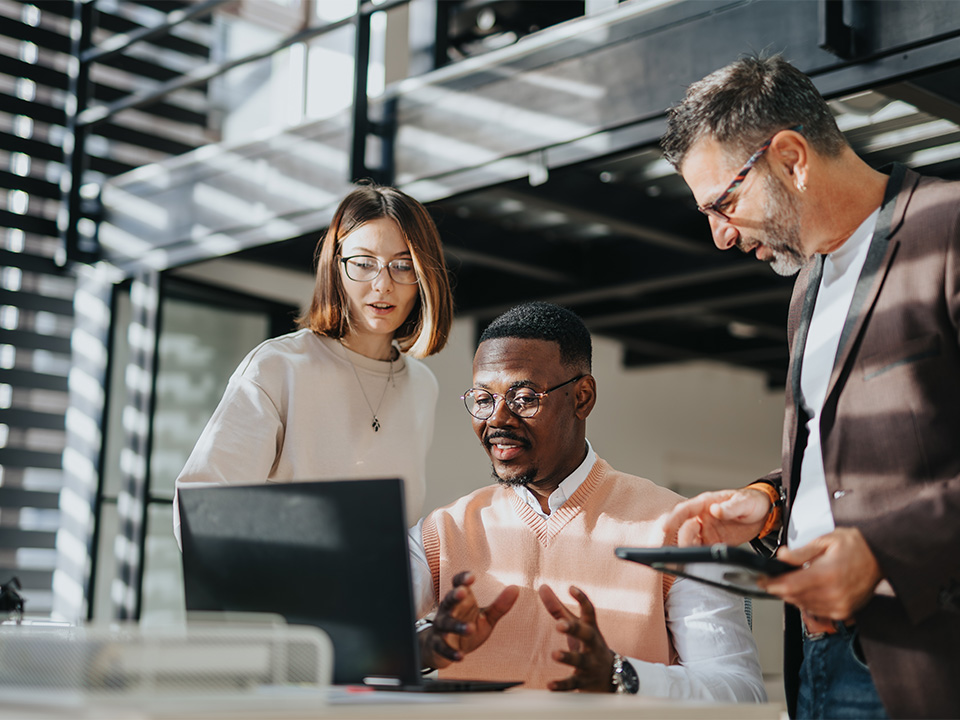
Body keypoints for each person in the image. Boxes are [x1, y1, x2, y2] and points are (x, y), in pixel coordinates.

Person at [658, 54, 960, 719]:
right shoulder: (807, 288)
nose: (720, 235)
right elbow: (851, 465)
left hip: (930, 664)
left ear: (792, 157)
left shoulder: (950, 230)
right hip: (815, 662)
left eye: (724, 202)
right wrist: (769, 503)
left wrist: (883, 552)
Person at [409, 301, 766, 701]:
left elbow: (741, 691)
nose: (497, 419)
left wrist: (622, 676)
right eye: (482, 398)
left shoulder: (678, 528)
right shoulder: (442, 532)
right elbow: (350, 642)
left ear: (582, 397)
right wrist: (422, 649)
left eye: (524, 397)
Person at [173, 183, 453, 542]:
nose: (383, 284)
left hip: (378, 597)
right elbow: (197, 511)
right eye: (364, 263)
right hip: (284, 594)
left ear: (424, 276)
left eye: (403, 265)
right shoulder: (277, 367)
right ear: (335, 267)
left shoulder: (422, 385)